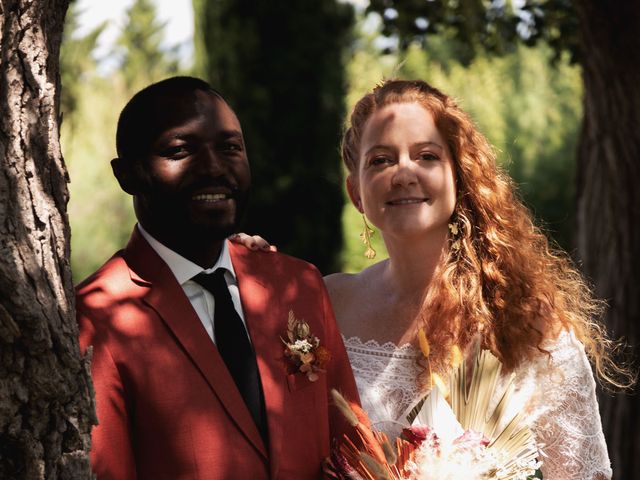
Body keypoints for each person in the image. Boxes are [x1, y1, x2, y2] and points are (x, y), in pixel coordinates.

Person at [235, 79, 631, 480]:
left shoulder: (527, 320)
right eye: (381, 160)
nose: (404, 173)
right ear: (356, 193)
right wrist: (251, 274)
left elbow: (585, 474)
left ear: (459, 176)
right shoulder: (324, 302)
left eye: (426, 156)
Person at [76, 76, 359, 480]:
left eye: (230, 148)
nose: (213, 167)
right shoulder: (95, 316)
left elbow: (354, 449)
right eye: (179, 150)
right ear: (127, 175)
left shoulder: (298, 284)